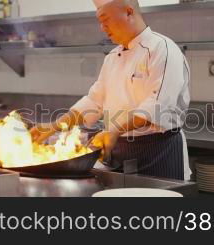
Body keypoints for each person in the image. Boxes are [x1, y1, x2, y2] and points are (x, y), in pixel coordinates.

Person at [31, 0, 191, 180]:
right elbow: (94, 101)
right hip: (120, 151)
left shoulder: (162, 49)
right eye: (99, 21)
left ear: (129, 12)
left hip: (159, 152)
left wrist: (114, 131)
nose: (102, 27)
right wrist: (55, 126)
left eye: (105, 19)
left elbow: (157, 106)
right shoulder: (112, 57)